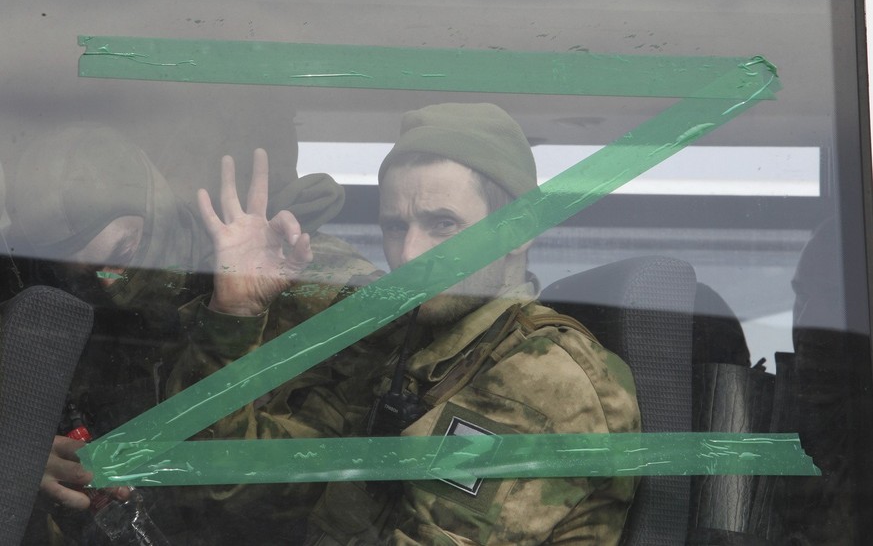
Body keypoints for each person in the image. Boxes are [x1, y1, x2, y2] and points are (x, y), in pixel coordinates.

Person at [175, 102, 641, 545]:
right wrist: (235, 312)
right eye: (395, 227)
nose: (411, 254)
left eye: (442, 224)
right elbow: (235, 482)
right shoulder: (404, 346)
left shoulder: (538, 379)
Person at [2, 124, 375, 544]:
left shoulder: (325, 291)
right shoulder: (56, 311)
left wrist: (233, 318)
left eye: (123, 253)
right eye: (87, 273)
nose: (109, 285)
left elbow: (277, 491)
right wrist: (20, 456)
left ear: (155, 207)